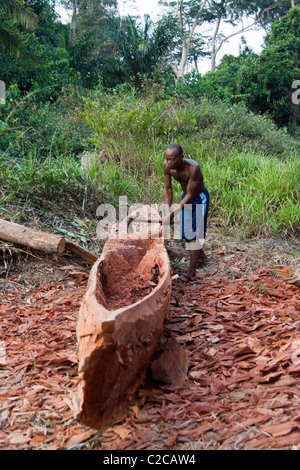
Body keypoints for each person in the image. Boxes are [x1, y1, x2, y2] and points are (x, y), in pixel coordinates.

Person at [162, 143, 210, 283]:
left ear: (181, 157)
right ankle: (201, 258)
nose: (170, 162)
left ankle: (191, 273)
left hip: (199, 197)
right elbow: (167, 189)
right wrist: (167, 210)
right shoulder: (167, 166)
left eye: (173, 159)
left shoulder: (193, 168)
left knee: (193, 234)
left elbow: (190, 195)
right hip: (186, 198)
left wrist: (172, 214)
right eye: (168, 159)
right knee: (185, 233)